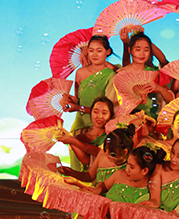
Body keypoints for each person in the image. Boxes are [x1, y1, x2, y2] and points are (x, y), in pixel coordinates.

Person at [44, 146, 164, 219]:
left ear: (144, 171)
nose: (127, 169)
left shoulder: (149, 187)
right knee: (88, 213)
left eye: (132, 167)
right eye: (127, 164)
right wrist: (97, 189)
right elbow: (103, 185)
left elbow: (153, 202)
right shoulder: (120, 174)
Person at [62, 36, 118, 169]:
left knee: (95, 169)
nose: (94, 54)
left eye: (99, 50)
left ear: (108, 52)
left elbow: (109, 110)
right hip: (79, 126)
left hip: (99, 128)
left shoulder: (111, 75)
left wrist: (77, 107)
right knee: (77, 169)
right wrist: (69, 100)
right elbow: (79, 100)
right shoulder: (80, 73)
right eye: (91, 50)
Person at [116, 32, 174, 119]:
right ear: (130, 50)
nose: (142, 54)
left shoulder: (154, 73)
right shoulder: (121, 74)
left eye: (146, 50)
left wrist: (159, 88)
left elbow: (171, 99)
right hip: (127, 119)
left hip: (152, 119)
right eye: (138, 50)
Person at [58, 125, 135, 185]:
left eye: (112, 153)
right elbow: (89, 176)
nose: (106, 153)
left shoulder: (132, 165)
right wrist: (71, 172)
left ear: (124, 152)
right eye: (105, 149)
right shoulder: (102, 154)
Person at [57, 96, 113, 170]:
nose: (99, 116)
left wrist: (73, 141)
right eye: (95, 112)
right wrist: (69, 140)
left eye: (104, 113)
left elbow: (100, 152)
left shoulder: (112, 136)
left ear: (111, 115)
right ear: (91, 113)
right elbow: (86, 161)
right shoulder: (81, 138)